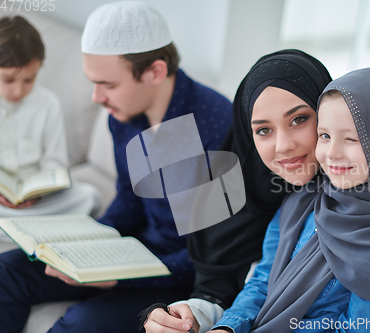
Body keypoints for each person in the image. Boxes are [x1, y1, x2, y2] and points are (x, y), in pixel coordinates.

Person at [142, 52, 370, 333]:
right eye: (263, 130)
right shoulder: (282, 199)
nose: (283, 145)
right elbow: (232, 286)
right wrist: (194, 316)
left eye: (299, 119)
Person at [0, 2, 232, 333]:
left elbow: (212, 261)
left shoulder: (214, 126)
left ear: (155, 72)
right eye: (93, 83)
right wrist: (86, 246)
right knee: (6, 272)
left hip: (179, 275)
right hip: (132, 250)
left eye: (107, 85)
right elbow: (128, 199)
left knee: (81, 324)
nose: (96, 97)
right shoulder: (124, 117)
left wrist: (118, 276)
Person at [0, 16, 101, 223]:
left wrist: (39, 193)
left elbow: (55, 163)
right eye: (8, 80)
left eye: (29, 79)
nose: (18, 90)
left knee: (89, 197)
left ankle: (15, 226)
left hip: (34, 195)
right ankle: (24, 227)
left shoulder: (48, 104)